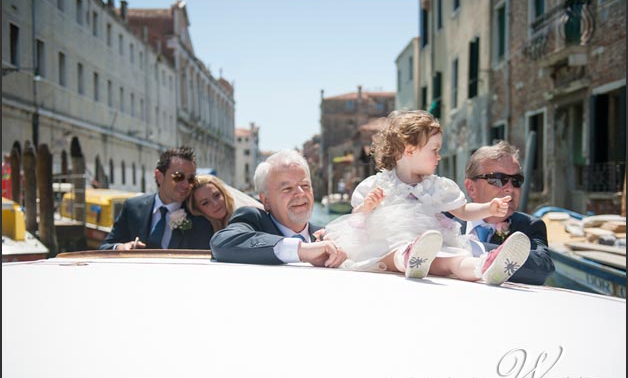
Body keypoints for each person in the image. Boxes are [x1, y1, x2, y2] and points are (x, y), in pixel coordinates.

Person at [324, 110, 531, 286]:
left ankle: (484, 266)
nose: (439, 157)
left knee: (454, 259)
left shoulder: (436, 186)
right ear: (410, 150)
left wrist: (489, 208)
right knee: (392, 252)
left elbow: (463, 211)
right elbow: (356, 220)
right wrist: (367, 206)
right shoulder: (377, 185)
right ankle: (408, 258)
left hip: (430, 247)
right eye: (435, 150)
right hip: (388, 248)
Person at [210, 149, 347, 268]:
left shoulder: (327, 235)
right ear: (266, 201)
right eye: (287, 188)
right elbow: (222, 243)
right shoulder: (253, 220)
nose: (300, 193)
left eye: (305, 185)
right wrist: (302, 251)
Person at [462, 141, 555, 285]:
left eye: (516, 181)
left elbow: (542, 268)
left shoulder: (529, 225)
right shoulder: (445, 219)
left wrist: (473, 248)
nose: (510, 189)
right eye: (499, 179)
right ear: (471, 188)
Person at [99, 146, 213, 250]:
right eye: (179, 177)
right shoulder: (132, 207)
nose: (186, 185)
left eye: (191, 179)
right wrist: (121, 248)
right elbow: (105, 247)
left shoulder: (199, 217)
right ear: (159, 176)